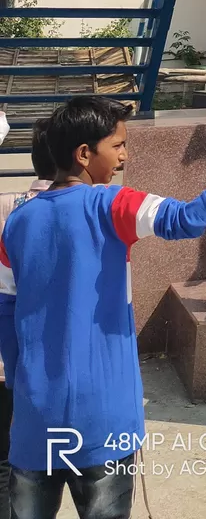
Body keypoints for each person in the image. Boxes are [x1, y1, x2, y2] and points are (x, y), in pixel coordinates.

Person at [0, 96, 206, 518]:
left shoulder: (16, 223)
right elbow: (189, 218)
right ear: (84, 154)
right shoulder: (112, 205)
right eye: (118, 145)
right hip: (106, 418)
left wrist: (20, 389)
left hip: (35, 418)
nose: (124, 155)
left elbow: (7, 315)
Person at [0, 122, 55, 519]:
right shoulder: (87, 212)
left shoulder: (7, 206)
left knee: (5, 462)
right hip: (46, 370)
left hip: (5, 367)